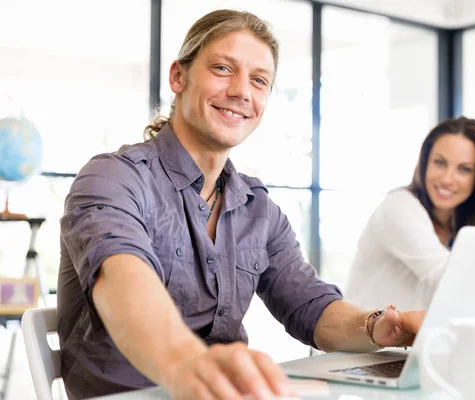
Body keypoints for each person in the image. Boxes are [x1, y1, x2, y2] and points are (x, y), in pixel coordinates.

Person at [57, 9, 425, 400]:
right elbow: (125, 284)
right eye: (222, 68)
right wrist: (188, 363)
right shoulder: (114, 179)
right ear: (178, 77)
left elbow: (313, 309)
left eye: (259, 80)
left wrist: (379, 326)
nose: (241, 91)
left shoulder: (258, 209)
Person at [344, 117, 475, 312]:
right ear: (425, 163)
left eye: (464, 169)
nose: (447, 179)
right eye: (440, 163)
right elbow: (462, 287)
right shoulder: (399, 207)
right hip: (364, 341)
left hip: (417, 340)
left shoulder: (460, 221)